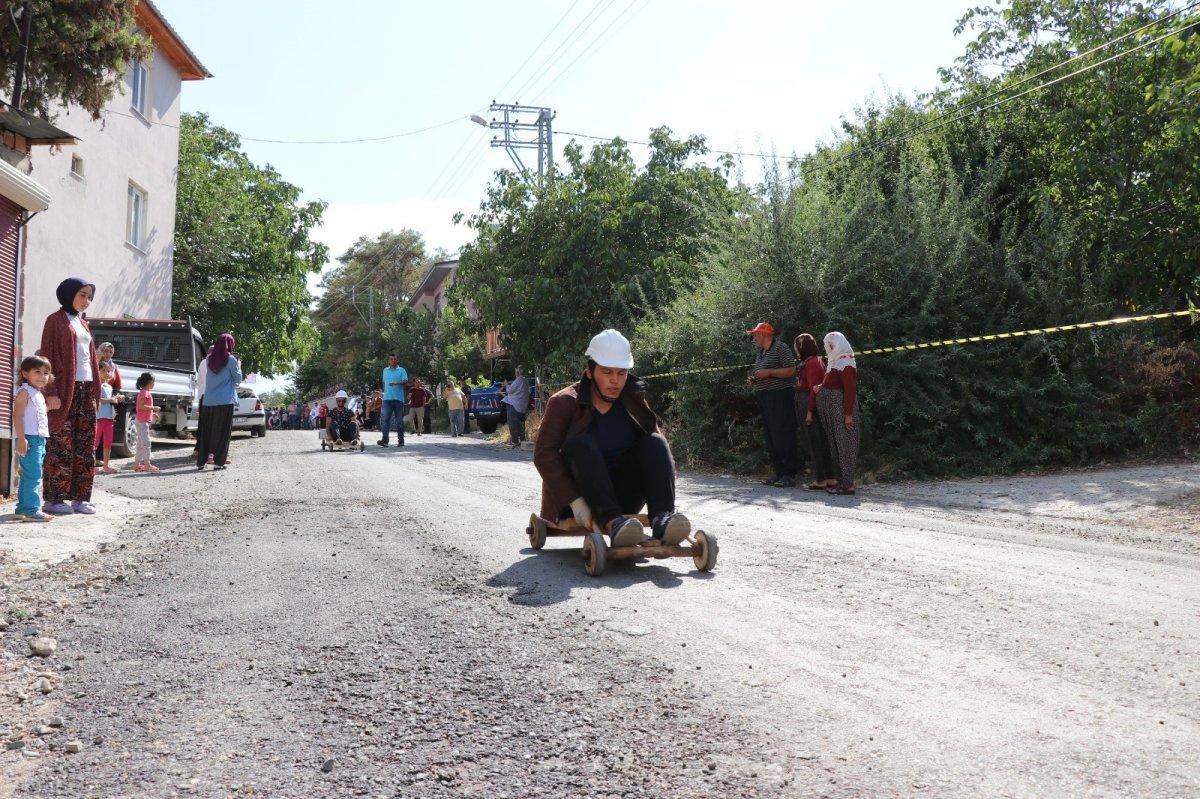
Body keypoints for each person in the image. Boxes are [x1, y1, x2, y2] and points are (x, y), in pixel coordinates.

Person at [534, 329, 691, 547]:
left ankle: (663, 520)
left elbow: (659, 453)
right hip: (577, 499)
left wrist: (665, 482)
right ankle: (612, 523)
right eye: (607, 372)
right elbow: (543, 455)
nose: (615, 381)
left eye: (621, 373)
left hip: (622, 498)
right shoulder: (564, 402)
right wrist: (576, 503)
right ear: (589, 372)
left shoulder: (632, 400)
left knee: (655, 442)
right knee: (581, 444)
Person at [38, 277, 101, 515]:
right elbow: (47, 356)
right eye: (82, 295)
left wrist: (95, 391)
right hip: (64, 389)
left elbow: (90, 359)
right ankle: (54, 499)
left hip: (85, 389)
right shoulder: (54, 321)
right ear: (68, 294)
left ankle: (80, 497)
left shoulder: (83, 323)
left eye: (89, 297)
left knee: (85, 444)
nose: (87, 300)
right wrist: (50, 391)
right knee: (60, 444)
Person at [746, 322, 798, 488]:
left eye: (755, 334)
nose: (753, 337)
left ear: (764, 334)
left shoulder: (781, 348)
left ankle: (789, 474)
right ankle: (779, 472)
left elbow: (791, 370)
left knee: (783, 433)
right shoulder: (761, 353)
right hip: (765, 397)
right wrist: (755, 379)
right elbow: (763, 373)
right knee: (771, 436)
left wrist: (768, 372)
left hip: (781, 396)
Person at [815, 331, 860, 495]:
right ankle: (842, 483)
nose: (830, 347)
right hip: (834, 409)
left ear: (840, 344)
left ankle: (848, 485)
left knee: (845, 445)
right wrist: (821, 387)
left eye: (832, 344)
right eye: (828, 344)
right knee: (837, 445)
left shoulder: (844, 362)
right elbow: (833, 383)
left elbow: (850, 388)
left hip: (841, 409)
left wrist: (848, 414)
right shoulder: (834, 361)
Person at [13, 356, 54, 522]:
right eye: (37, 371)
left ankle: (22, 508)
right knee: (34, 475)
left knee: (28, 475)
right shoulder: (25, 391)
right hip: (29, 438)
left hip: (39, 438)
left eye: (45, 372)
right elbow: (17, 416)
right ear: (25, 373)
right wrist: (22, 439)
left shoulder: (37, 393)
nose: (42, 376)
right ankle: (32, 510)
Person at [794, 333, 837, 490]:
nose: (796, 349)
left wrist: (809, 412)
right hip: (808, 402)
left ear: (802, 347)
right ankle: (830, 477)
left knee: (815, 442)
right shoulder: (813, 361)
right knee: (821, 441)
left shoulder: (812, 363)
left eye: (797, 345)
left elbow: (814, 389)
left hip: (808, 403)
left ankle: (821, 479)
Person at [195, 333, 242, 469]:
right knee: (223, 433)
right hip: (225, 400)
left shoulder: (208, 359)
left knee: (206, 431)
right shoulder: (231, 359)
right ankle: (218, 462)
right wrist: (238, 365)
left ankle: (201, 462)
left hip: (208, 400)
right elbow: (238, 379)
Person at [94, 361, 124, 474]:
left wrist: (117, 398)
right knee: (95, 443)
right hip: (98, 418)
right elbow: (96, 399)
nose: (107, 373)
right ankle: (92, 467)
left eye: (108, 371)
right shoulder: (96, 385)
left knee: (108, 443)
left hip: (109, 419)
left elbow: (111, 400)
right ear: (97, 371)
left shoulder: (109, 387)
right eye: (103, 371)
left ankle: (106, 466)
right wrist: (111, 400)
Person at [132, 372, 161, 473]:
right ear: (149, 382)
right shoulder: (145, 393)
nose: (154, 384)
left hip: (142, 421)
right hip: (142, 422)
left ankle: (136, 465)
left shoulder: (144, 392)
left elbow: (142, 408)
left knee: (140, 444)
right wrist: (154, 408)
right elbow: (140, 406)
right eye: (153, 382)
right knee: (146, 443)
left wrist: (152, 413)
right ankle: (147, 465)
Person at [378, 354, 408, 447]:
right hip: (387, 399)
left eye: (395, 359)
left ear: (397, 360)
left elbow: (405, 381)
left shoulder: (401, 370)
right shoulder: (385, 370)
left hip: (398, 399)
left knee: (399, 421)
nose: (393, 360)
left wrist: (396, 383)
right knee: (386, 420)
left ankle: (401, 441)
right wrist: (384, 394)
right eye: (391, 359)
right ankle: (385, 440)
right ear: (389, 361)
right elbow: (384, 383)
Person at [501, 367, 530, 449]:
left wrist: (506, 384)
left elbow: (509, 391)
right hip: (522, 406)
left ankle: (515, 441)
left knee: (513, 424)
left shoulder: (518, 380)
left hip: (514, 405)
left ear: (516, 372)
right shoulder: (525, 381)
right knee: (521, 424)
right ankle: (522, 440)